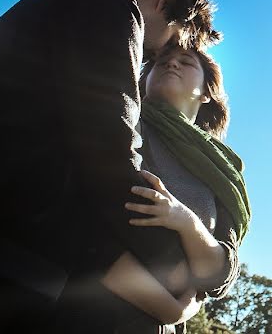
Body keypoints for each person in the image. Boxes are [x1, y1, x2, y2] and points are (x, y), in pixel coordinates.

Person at [0, 0, 221, 332]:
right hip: (14, 245)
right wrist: (171, 262)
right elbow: (110, 148)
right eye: (162, 48)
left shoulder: (74, 3)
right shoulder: (111, 8)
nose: (148, 56)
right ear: (164, 5)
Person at [97, 45, 250, 332]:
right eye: (161, 61)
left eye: (186, 62)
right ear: (144, 83)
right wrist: (170, 308)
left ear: (207, 93)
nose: (172, 64)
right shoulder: (125, 123)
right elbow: (90, 224)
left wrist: (185, 221)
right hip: (88, 311)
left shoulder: (222, 168)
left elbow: (217, 273)